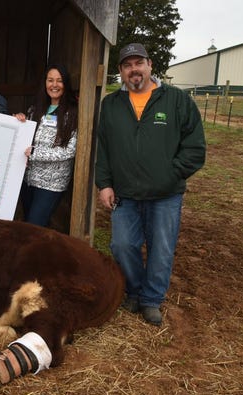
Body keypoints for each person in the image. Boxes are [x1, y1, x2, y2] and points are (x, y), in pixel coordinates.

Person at [95, 43, 206, 326]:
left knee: (162, 247)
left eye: (139, 63)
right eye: (127, 65)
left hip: (165, 194)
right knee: (122, 245)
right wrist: (104, 184)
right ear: (120, 71)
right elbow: (103, 149)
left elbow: (194, 147)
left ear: (150, 65)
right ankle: (133, 291)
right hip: (125, 193)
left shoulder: (176, 101)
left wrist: (172, 174)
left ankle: (151, 299)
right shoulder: (111, 105)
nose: (134, 69)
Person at [13, 64, 78, 227]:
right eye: (50, 80)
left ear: (66, 84)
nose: (54, 85)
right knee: (31, 225)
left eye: (59, 81)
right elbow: (25, 139)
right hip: (28, 179)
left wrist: (35, 153)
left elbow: (69, 151)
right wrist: (19, 122)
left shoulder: (74, 113)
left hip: (52, 183)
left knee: (34, 226)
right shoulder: (35, 109)